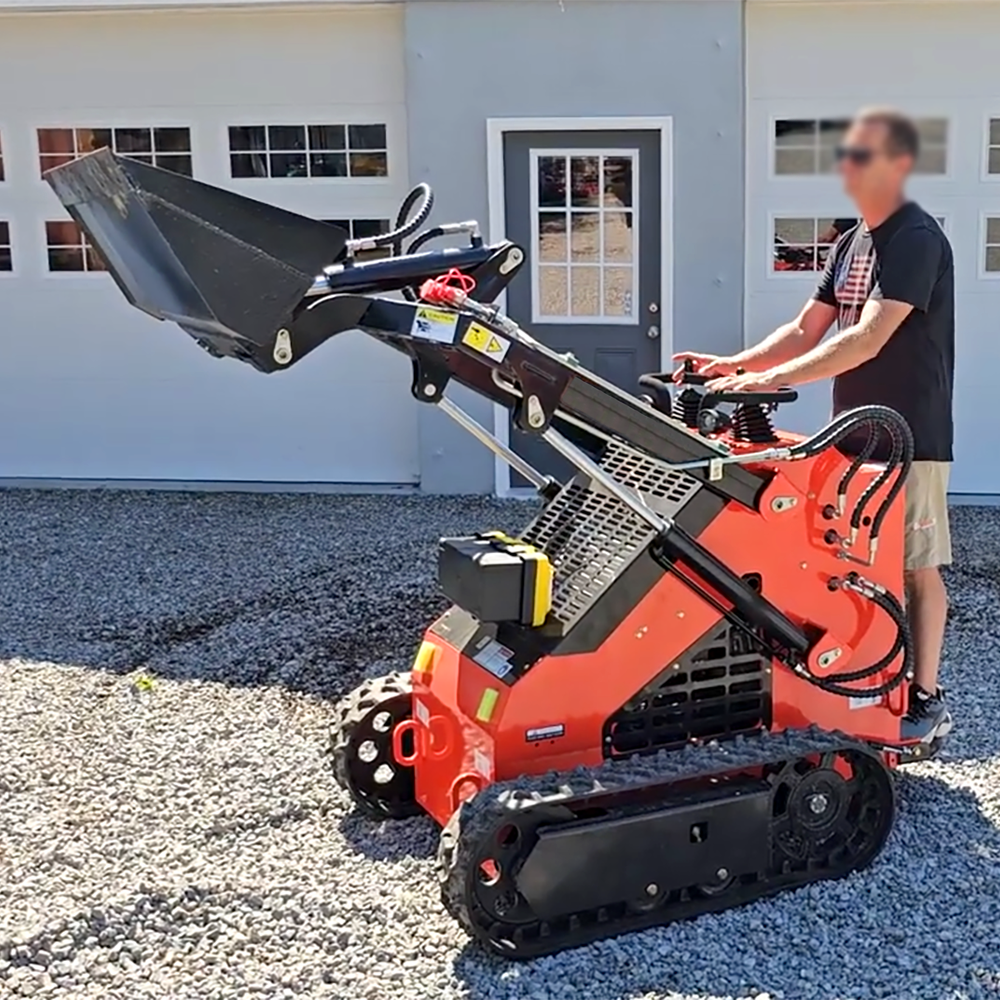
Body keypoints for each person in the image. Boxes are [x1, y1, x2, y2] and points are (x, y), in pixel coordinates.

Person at [674, 107, 955, 743]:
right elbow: (807, 327)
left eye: (867, 157)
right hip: (852, 434)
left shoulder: (915, 238)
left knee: (915, 565)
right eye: (848, 157)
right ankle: (860, 680)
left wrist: (776, 382)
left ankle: (928, 694)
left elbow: (869, 338)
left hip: (912, 437)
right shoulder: (851, 241)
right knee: (850, 560)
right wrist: (735, 366)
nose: (852, 168)